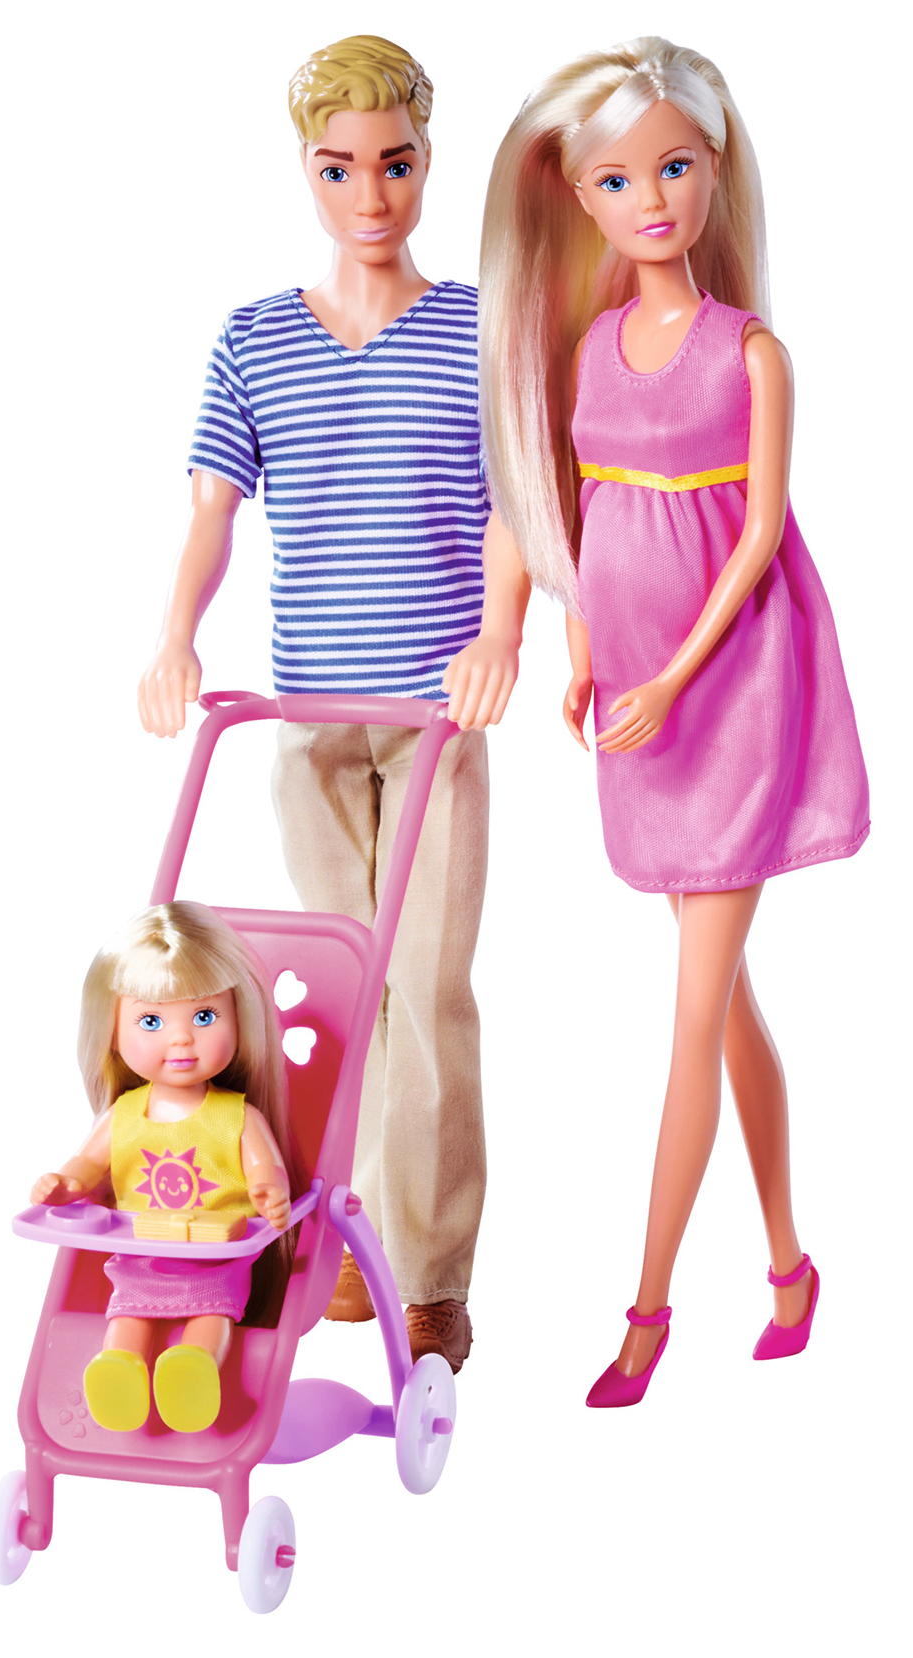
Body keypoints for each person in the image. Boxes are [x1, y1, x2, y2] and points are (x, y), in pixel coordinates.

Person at [443, 37, 869, 1404]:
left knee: (688, 1017)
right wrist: (577, 645)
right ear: (580, 195)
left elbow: (755, 544)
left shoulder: (755, 355)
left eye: (675, 167)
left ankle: (646, 1309)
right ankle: (792, 1264)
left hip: (733, 691)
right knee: (723, 1000)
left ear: (716, 166)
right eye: (621, 179)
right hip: (631, 694)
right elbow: (580, 510)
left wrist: (675, 678)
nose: (653, 198)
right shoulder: (588, 349)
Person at [137, 36, 493, 1372]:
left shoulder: (476, 328)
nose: (371, 194)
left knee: (427, 988)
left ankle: (432, 1269)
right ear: (306, 168)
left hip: (437, 718)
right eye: (340, 167)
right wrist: (174, 635)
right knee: (338, 993)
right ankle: (340, 1234)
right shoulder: (255, 338)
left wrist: (503, 630)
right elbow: (212, 509)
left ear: (428, 160)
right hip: (309, 717)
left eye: (395, 163)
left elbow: (519, 503)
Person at [31, 902, 295, 1433]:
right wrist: (66, 1183)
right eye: (151, 1021)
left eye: (204, 1017)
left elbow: (264, 1165)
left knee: (212, 1313)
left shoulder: (237, 1116)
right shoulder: (124, 1115)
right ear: (112, 1031)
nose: (181, 1039)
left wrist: (269, 1189)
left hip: (215, 1260)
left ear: (238, 1019)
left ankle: (194, 1368)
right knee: (128, 1310)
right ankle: (117, 1368)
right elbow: (88, 1162)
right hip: (143, 1255)